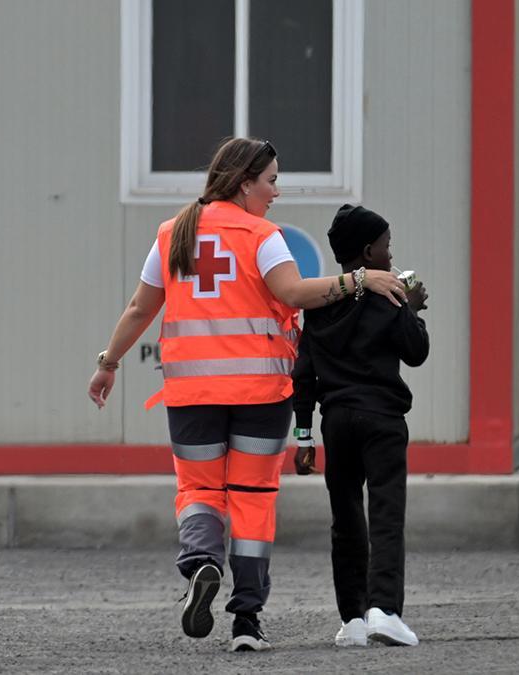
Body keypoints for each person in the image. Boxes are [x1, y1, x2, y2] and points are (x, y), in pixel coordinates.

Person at [86, 138, 408, 652]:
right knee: (253, 501)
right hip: (260, 392)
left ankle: (203, 562)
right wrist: (360, 279)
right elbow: (295, 294)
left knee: (199, 492)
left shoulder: (173, 234)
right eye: (272, 181)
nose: (276, 192)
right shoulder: (263, 235)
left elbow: (139, 309)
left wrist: (109, 364)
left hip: (192, 393)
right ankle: (246, 622)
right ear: (244, 184)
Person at [291, 204, 429, 648]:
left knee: (345, 518)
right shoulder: (388, 296)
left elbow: (304, 374)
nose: (391, 256)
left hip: (336, 423)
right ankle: (384, 611)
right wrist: (411, 307)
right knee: (385, 514)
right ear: (369, 251)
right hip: (382, 420)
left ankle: (352, 619)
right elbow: (416, 351)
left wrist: (304, 436)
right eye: (387, 247)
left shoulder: (318, 306)